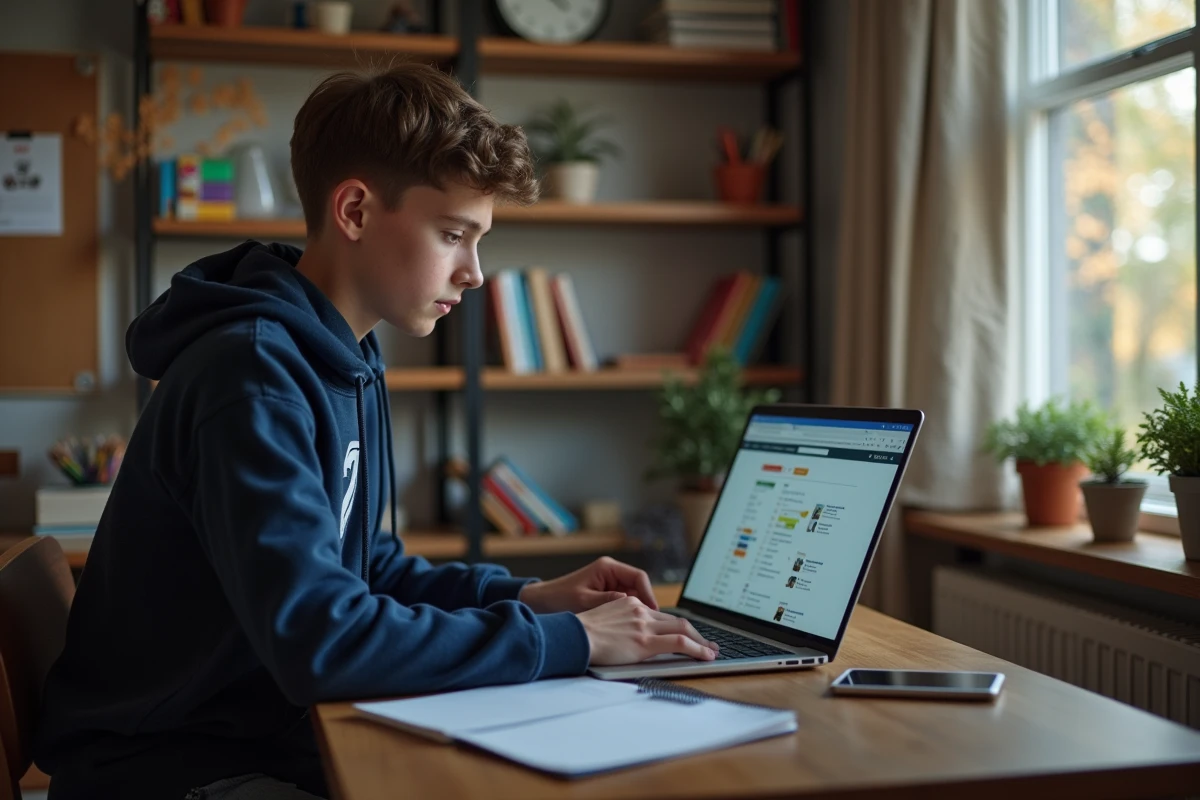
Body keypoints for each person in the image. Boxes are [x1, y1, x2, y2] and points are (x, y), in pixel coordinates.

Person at [34, 64, 718, 800]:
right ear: (355, 211)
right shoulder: (252, 377)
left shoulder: (344, 353)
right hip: (171, 772)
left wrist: (531, 598)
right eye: (453, 234)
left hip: (255, 739)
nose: (475, 273)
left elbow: (368, 572)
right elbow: (322, 643)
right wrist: (575, 642)